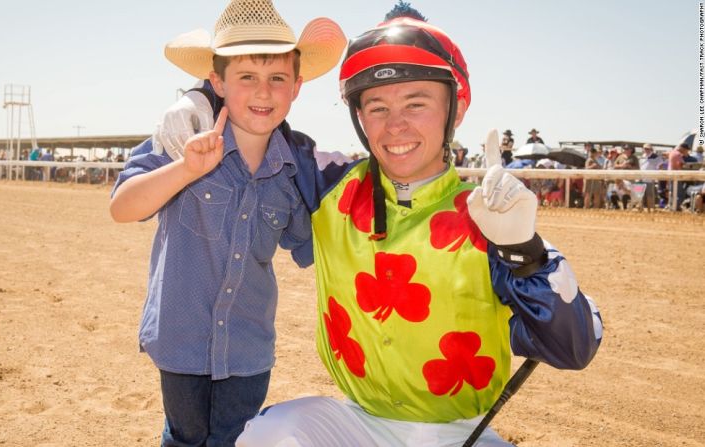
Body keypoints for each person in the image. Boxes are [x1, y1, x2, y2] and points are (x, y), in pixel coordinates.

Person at [160, 5, 603, 446]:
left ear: (458, 107)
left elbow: (574, 347)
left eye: (417, 103)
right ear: (358, 117)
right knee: (270, 435)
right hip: (356, 423)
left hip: (463, 432)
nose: (396, 126)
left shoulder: (490, 215)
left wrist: (524, 250)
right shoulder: (327, 184)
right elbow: (259, 110)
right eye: (376, 107)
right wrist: (203, 95)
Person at [109, 1, 345, 446]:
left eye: (277, 78)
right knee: (185, 436)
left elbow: (311, 247)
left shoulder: (297, 171)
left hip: (248, 350)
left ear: (297, 86)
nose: (263, 92)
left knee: (235, 440)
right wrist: (185, 169)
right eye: (247, 77)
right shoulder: (183, 137)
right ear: (217, 81)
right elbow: (123, 207)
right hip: (181, 340)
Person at [639, 143, 662, 211]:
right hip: (641, 178)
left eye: (648, 148)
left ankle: (651, 209)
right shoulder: (642, 156)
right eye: (645, 148)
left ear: (651, 149)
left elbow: (660, 166)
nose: (646, 150)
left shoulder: (655, 156)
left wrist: (656, 176)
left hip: (650, 179)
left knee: (650, 194)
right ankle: (641, 208)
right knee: (640, 194)